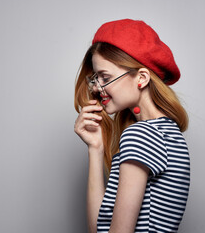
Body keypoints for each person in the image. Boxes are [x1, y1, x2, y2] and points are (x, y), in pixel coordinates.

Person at [74, 19, 190, 233]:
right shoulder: (166, 132)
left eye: (105, 77)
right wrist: (95, 148)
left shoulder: (141, 134)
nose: (98, 88)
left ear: (142, 78)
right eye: (95, 78)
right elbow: (99, 228)